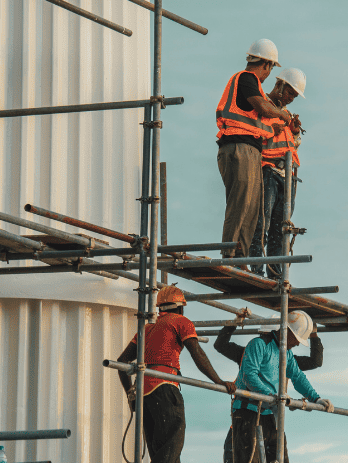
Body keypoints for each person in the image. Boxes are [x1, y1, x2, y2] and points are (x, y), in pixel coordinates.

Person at [117, 285, 237, 463]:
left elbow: (121, 363)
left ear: (160, 307)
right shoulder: (181, 321)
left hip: (145, 394)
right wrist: (219, 381)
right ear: (180, 307)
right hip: (165, 388)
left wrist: (131, 394)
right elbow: (197, 353)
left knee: (162, 453)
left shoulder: (147, 329)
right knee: (171, 447)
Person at [216, 39, 294, 265]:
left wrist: (273, 128)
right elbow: (261, 106)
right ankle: (230, 255)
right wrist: (281, 114)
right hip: (237, 148)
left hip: (249, 150)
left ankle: (241, 258)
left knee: (251, 209)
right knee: (240, 204)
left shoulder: (252, 85)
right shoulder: (246, 78)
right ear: (267, 65)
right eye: (271, 68)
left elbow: (254, 120)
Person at [216, 312, 323, 463]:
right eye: (297, 339)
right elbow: (249, 375)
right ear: (287, 331)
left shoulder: (286, 353)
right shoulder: (258, 345)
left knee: (279, 459)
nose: (298, 343)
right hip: (249, 413)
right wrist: (273, 396)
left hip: (271, 415)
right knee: (249, 459)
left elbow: (298, 376)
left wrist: (316, 398)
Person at [250, 68, 307, 278]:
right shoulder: (263, 105)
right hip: (268, 171)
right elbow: (258, 133)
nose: (291, 98)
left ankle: (275, 274)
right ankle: (256, 270)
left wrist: (294, 133)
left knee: (280, 229)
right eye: (290, 93)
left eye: (294, 95)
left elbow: (290, 145)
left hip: (287, 176)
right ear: (280, 85)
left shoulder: (285, 115)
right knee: (261, 223)